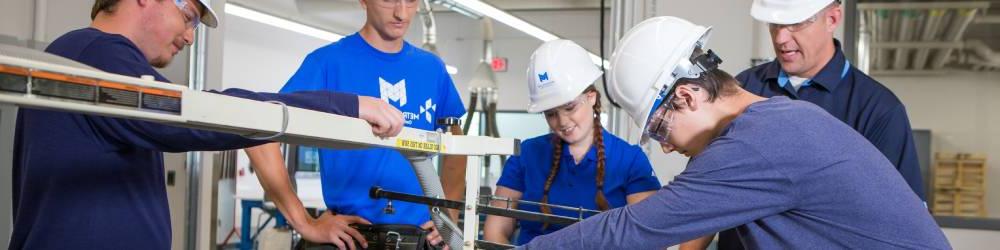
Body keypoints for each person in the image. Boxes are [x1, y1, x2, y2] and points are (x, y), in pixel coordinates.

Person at [518, 16, 949, 249]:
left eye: (660, 128)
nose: (667, 144)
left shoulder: (757, 143)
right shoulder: (778, 119)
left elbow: (636, 228)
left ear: (686, 97)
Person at [9, 0, 405, 249]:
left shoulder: (83, 53)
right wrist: (344, 105)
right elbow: (196, 119)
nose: (190, 36)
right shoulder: (98, 53)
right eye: (188, 17)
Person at [244, 0, 464, 247]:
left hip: (418, 238)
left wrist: (448, 214)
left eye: (411, 1)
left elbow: (458, 146)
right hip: (351, 238)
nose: (401, 13)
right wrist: (304, 222)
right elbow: (259, 133)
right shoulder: (328, 63)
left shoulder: (432, 69)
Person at [718, 2, 925, 247]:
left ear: (832, 19)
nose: (781, 38)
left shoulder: (878, 109)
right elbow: (705, 189)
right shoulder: (743, 88)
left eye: (795, 24)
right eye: (774, 25)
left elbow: (903, 218)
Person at [481, 40, 660, 245]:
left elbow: (650, 237)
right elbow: (496, 229)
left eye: (570, 108)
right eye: (551, 114)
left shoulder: (629, 160)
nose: (563, 122)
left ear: (591, 97)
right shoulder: (527, 154)